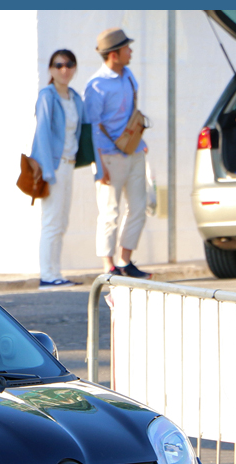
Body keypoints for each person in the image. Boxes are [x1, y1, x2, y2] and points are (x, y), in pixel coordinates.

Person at [84, 27, 151, 278]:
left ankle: (125, 261)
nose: (130, 51)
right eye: (126, 48)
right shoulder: (96, 86)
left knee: (138, 208)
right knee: (110, 212)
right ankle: (108, 265)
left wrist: (139, 143)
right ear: (114, 54)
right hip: (108, 157)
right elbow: (91, 128)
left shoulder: (129, 76)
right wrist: (99, 166)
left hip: (133, 153)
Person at [30, 49, 85, 289]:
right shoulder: (47, 96)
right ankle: (47, 276)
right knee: (51, 222)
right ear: (51, 70)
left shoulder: (75, 97)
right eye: (59, 65)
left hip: (69, 166)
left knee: (61, 222)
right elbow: (42, 133)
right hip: (53, 167)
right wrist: (48, 171)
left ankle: (55, 273)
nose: (65, 69)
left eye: (69, 64)